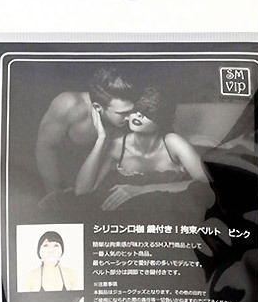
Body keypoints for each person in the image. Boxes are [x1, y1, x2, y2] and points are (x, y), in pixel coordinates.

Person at [74, 86, 213, 210]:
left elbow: (207, 184)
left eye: (148, 111)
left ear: (162, 118)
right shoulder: (117, 146)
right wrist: (101, 139)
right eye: (136, 109)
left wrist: (142, 189)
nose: (138, 115)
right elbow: (82, 191)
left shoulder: (173, 142)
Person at [36, 67, 136, 200]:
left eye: (132, 110)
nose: (131, 118)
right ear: (98, 107)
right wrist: (53, 192)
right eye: (123, 113)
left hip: (89, 186)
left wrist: (102, 139)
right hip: (55, 180)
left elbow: (92, 185)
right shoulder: (69, 105)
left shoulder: (129, 126)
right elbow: (46, 148)